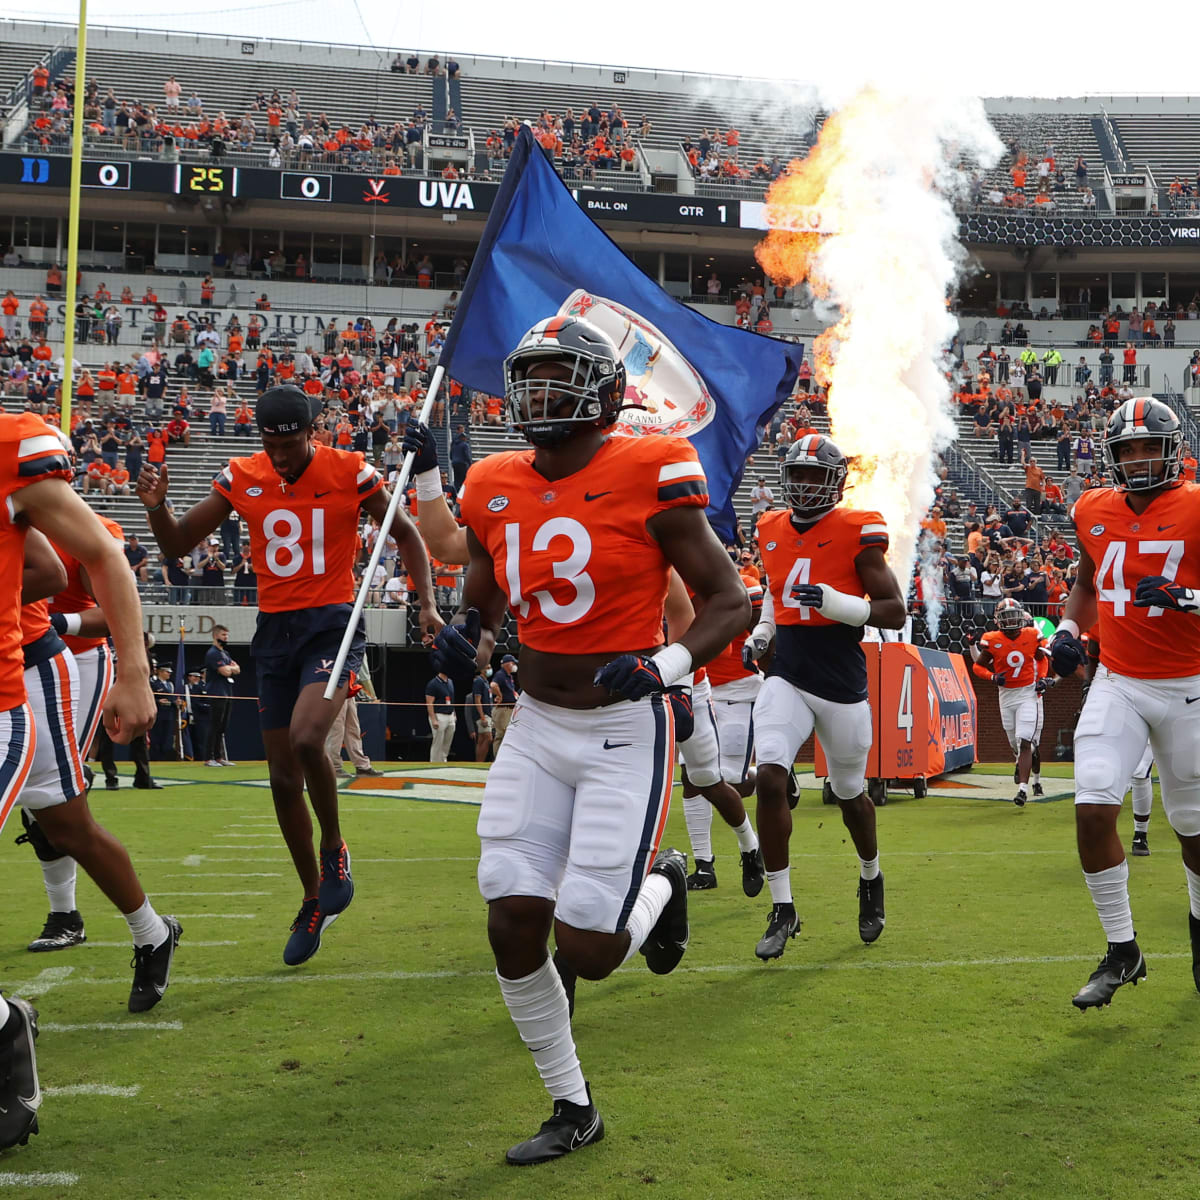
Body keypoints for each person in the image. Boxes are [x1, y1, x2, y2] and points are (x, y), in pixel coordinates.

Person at [433, 315, 749, 1163]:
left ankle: (665, 887)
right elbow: (488, 582)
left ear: (607, 393)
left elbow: (729, 599)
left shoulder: (651, 467)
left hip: (621, 725)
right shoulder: (493, 482)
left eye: (557, 378)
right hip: (537, 723)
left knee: (593, 949)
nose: (539, 395)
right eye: (529, 379)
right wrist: (475, 630)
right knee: (509, 916)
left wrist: (668, 665)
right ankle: (573, 1107)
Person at [136, 384, 440, 966]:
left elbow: (406, 534)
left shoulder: (348, 468)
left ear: (313, 431)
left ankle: (335, 847)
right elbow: (176, 543)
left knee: (306, 739)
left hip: (332, 625)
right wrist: (157, 505)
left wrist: (425, 602)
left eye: (290, 443)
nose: (278, 456)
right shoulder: (242, 474)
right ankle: (312, 899)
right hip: (274, 629)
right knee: (280, 779)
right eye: (269, 444)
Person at [1, 419, 160, 1043]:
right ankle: (141, 928)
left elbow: (93, 566)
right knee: (59, 823)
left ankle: (81, 920)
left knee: (66, 821)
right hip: (35, 663)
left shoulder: (31, 475)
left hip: (43, 666)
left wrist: (133, 669)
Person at [1048, 397, 1200, 1009]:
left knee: (1193, 832)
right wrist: (1066, 629)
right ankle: (1123, 949)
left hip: (1190, 684)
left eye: (1147, 447)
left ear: (1173, 448)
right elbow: (1088, 582)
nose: (1138, 460)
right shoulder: (1093, 508)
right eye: (1127, 449)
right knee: (1091, 810)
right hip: (1120, 680)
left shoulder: (1195, 506)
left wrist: (1188, 599)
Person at [743, 434, 906, 960]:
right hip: (787, 669)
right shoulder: (771, 528)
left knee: (851, 795)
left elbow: (894, 610)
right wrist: (763, 633)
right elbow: (774, 588)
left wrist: (840, 604)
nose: (807, 485)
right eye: (799, 476)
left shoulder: (858, 529)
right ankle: (783, 907)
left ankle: (870, 876)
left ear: (837, 482)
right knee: (769, 774)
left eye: (817, 476)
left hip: (840, 678)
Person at [971, 598, 1049, 805]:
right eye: (1006, 616)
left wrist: (1041, 679)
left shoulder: (1032, 635)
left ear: (1021, 616)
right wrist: (993, 677)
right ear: (998, 619)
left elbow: (1042, 659)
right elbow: (978, 667)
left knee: (1025, 741)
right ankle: (1021, 762)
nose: (1011, 620)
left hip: (1027, 693)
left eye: (1014, 615)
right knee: (1015, 744)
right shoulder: (992, 638)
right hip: (1005, 695)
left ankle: (1023, 789)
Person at [203, 624, 238, 766]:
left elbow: (237, 669)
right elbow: (225, 672)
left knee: (222, 726)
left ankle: (219, 757)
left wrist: (231, 668)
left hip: (227, 692)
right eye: (223, 635)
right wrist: (231, 668)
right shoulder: (212, 653)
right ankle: (208, 757)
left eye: (227, 635)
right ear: (216, 636)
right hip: (217, 693)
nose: (226, 637)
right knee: (214, 725)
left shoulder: (225, 653)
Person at [425, 669, 456, 761]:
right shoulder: (433, 684)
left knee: (447, 742)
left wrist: (454, 713)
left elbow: (452, 699)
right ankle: (434, 763)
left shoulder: (450, 682)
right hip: (439, 715)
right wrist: (433, 719)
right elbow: (429, 703)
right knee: (438, 742)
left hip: (450, 715)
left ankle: (443, 760)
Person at [466, 663, 494, 762]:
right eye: (487, 668)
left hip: (488, 713)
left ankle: (479, 762)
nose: (489, 669)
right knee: (488, 738)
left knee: (482, 739)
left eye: (490, 667)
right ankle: (480, 762)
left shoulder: (486, 682)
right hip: (482, 715)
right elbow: (477, 700)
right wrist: (482, 717)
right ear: (481, 670)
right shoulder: (479, 681)